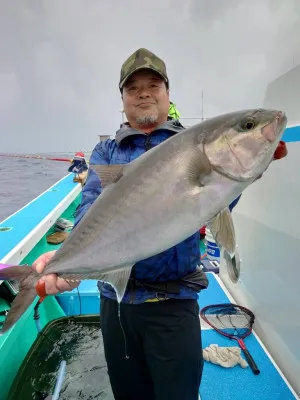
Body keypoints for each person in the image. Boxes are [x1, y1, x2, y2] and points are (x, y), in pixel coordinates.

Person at [32, 48, 287, 400]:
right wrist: (65, 261)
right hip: (117, 304)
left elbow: (214, 204)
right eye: (133, 87)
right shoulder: (107, 153)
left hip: (174, 301)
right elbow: (88, 210)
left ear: (168, 93)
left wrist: (245, 174)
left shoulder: (189, 142)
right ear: (122, 99)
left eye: (154, 84)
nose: (144, 92)